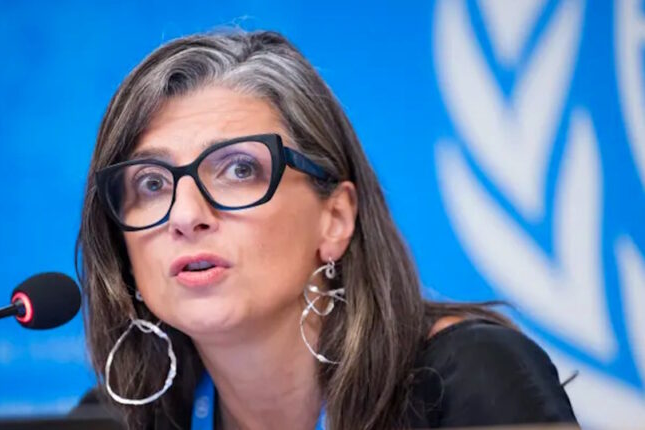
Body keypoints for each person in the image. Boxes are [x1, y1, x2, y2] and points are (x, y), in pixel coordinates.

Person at [75, 30, 577, 430]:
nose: (185, 215)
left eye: (240, 170)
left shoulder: (470, 379)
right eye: (152, 183)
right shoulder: (122, 418)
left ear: (334, 219)